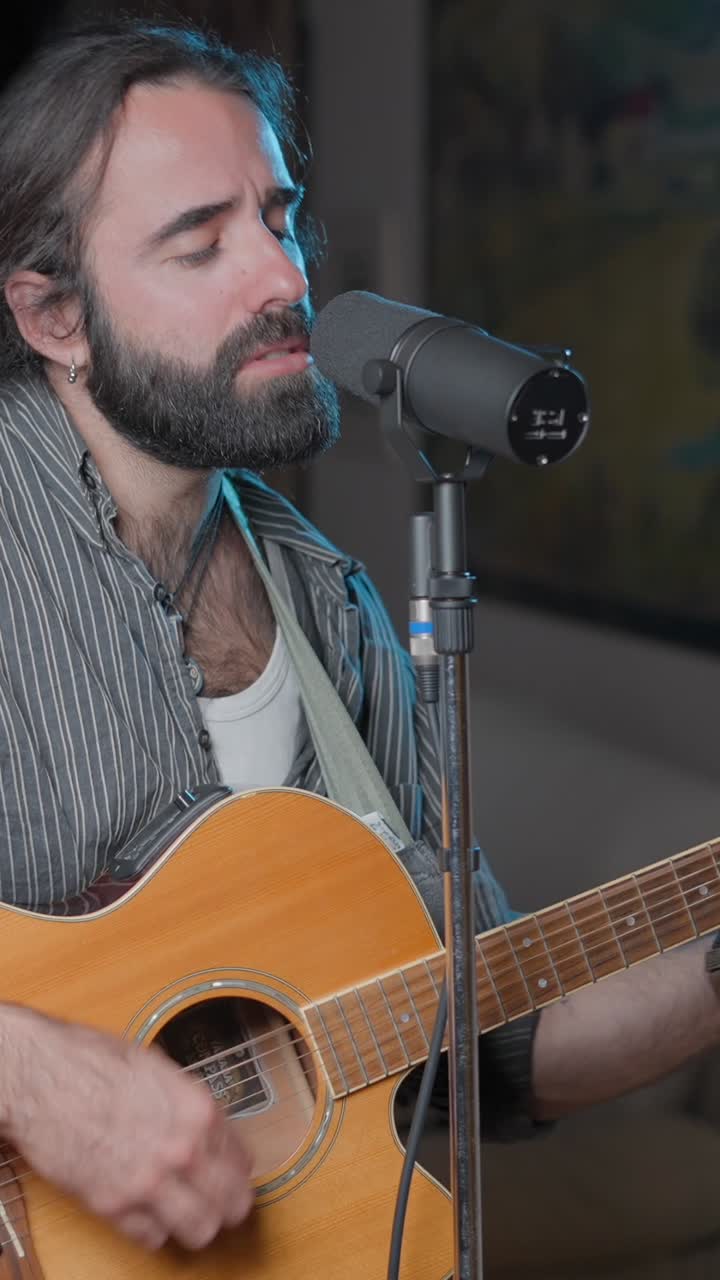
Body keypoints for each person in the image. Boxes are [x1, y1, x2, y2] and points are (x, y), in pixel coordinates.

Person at [0, 16, 718, 1258]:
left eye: (278, 218)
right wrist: (30, 1071)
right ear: (55, 317)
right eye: (200, 240)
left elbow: (484, 1044)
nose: (283, 278)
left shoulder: (324, 594)